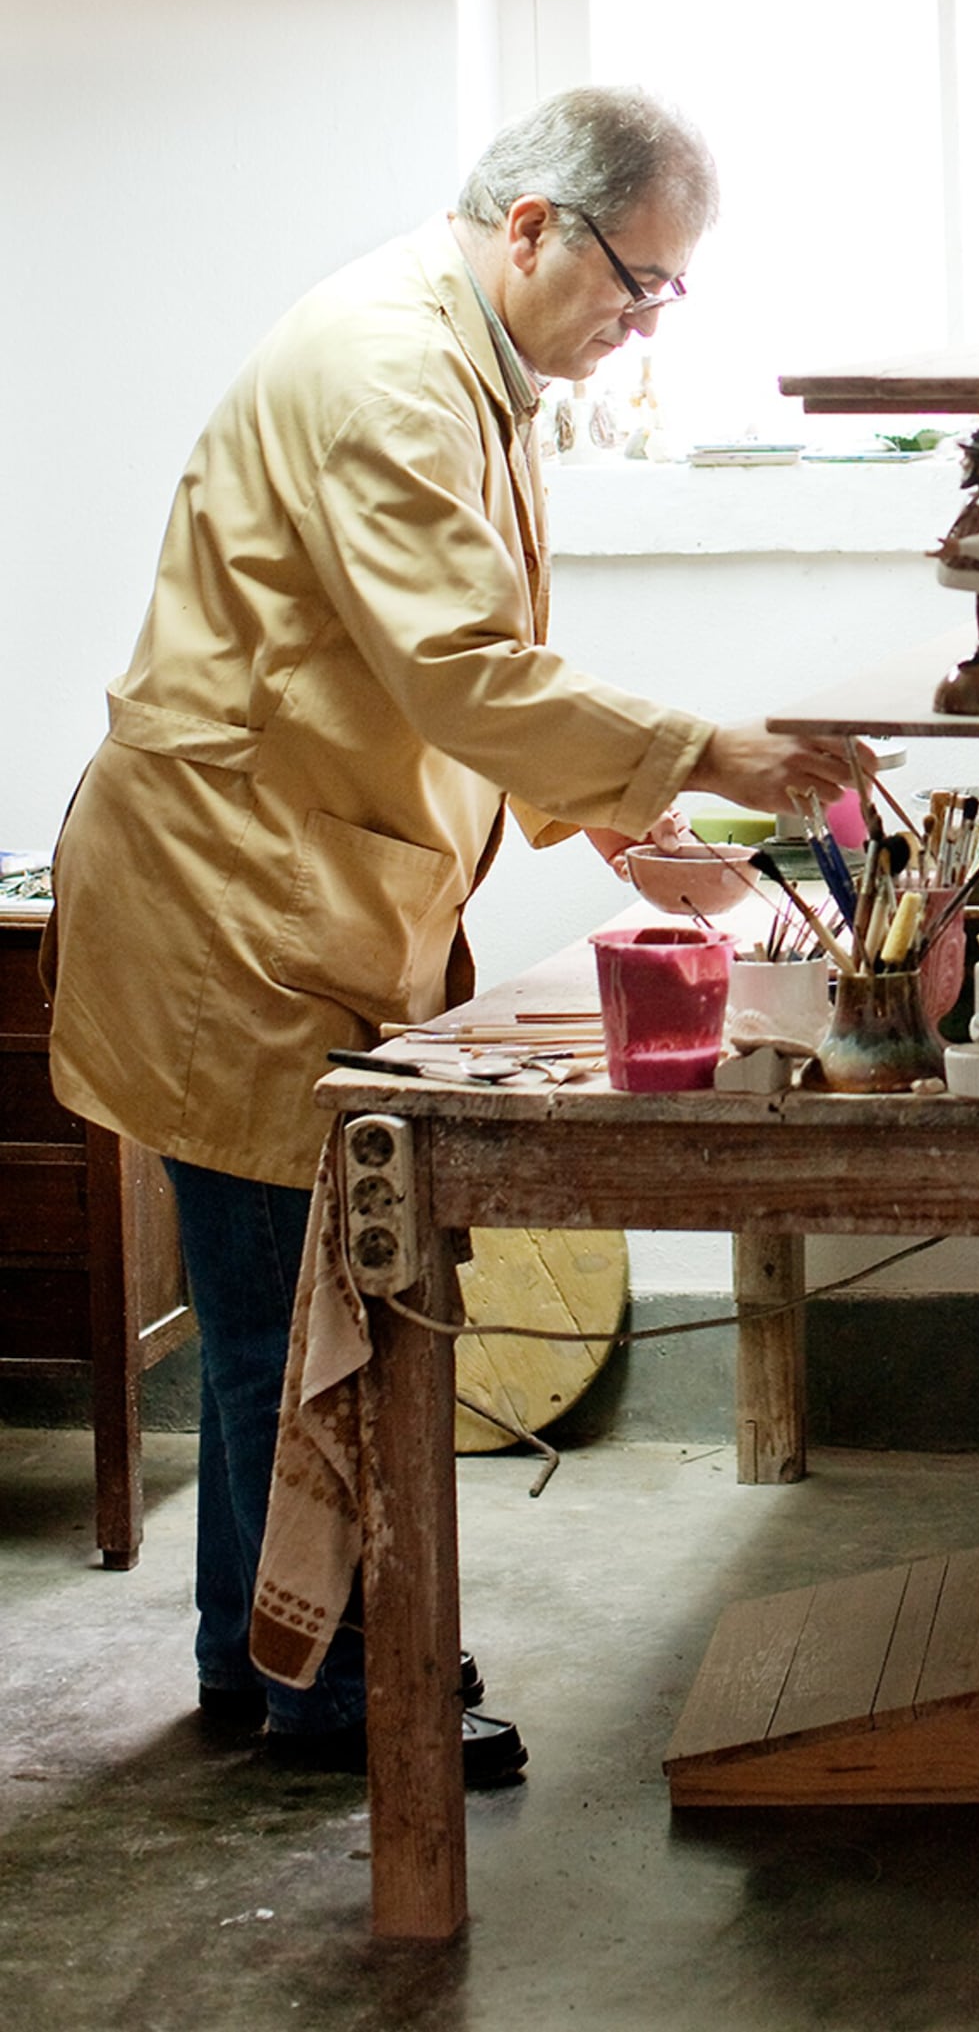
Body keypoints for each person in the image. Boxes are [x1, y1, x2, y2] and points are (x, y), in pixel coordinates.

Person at [43, 88, 859, 1783]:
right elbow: (463, 669)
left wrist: (624, 818)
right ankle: (333, 1692)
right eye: (640, 286)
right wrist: (708, 748)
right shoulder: (387, 370)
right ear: (534, 228)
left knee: (297, 1305)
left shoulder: (478, 363)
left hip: (293, 879)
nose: (643, 326)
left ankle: (260, 1657)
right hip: (230, 901)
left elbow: (453, 657)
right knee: (298, 1321)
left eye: (668, 299)